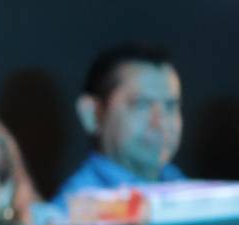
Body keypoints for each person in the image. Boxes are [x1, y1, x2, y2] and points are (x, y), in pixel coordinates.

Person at [50, 42, 185, 212]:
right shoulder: (73, 213)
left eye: (170, 106)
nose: (161, 123)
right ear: (92, 114)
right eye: (141, 105)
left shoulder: (188, 192)